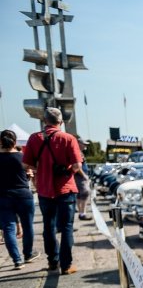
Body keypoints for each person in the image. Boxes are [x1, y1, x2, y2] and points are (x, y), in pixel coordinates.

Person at [21, 107, 86, 275]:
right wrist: (67, 171)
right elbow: (78, 165)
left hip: (44, 189)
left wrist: (41, 170)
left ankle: (52, 261)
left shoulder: (34, 138)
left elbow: (26, 164)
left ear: (44, 121)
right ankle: (66, 265)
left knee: (48, 226)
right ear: (61, 122)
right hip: (65, 188)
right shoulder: (68, 138)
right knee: (66, 227)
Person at [0, 129, 37, 269]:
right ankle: (28, 254)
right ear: (15, 142)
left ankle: (17, 260)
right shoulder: (22, 156)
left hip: (3, 197)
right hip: (23, 195)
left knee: (8, 228)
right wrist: (28, 176)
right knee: (27, 227)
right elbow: (28, 173)